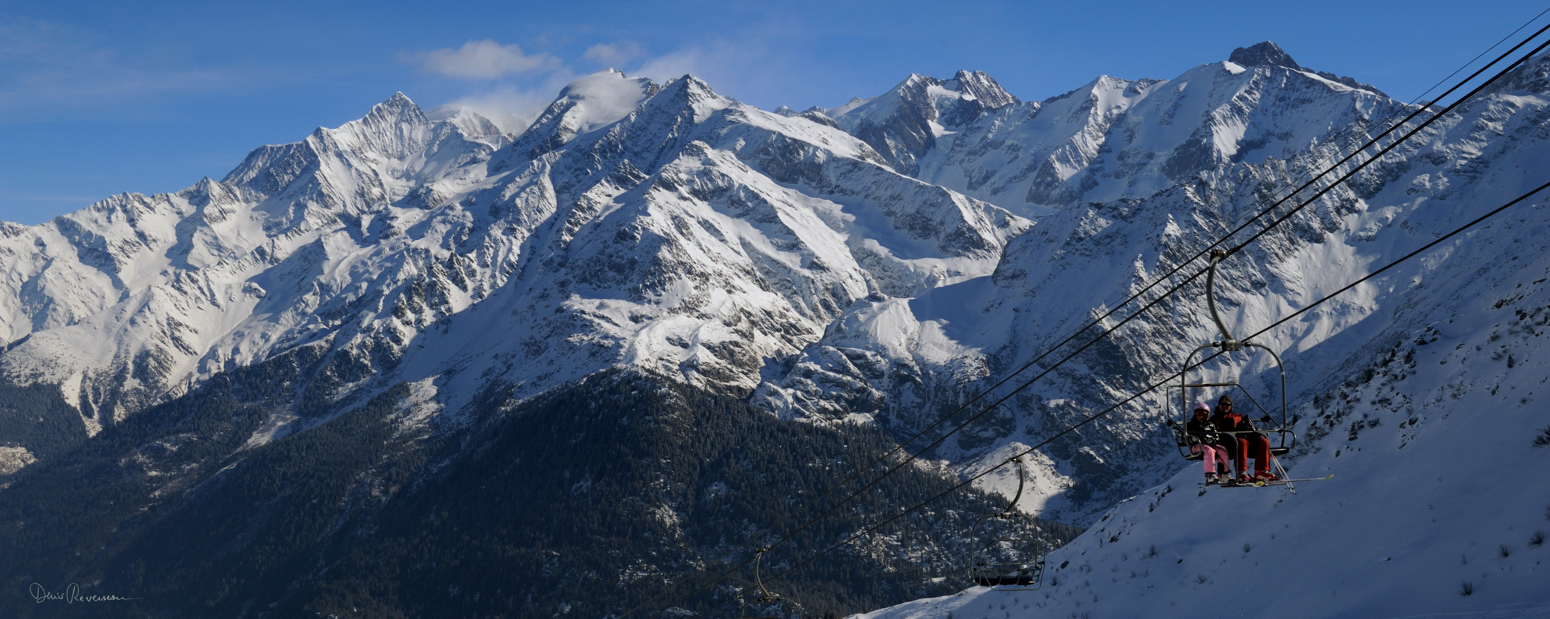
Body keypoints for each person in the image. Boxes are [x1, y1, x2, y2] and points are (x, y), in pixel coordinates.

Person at [1210, 395, 1275, 482]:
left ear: (1231, 406)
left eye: (1227, 405)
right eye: (1222, 404)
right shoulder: (1214, 419)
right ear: (1219, 405)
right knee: (1241, 442)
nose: (1225, 406)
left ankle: (1261, 471)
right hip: (1227, 443)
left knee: (1263, 441)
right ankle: (1241, 472)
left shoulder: (1237, 416)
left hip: (1244, 440)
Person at [1185, 402, 1231, 484]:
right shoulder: (1191, 425)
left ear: (1207, 415)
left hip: (1209, 445)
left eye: (1204, 414)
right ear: (1195, 414)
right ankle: (1210, 475)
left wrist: (1213, 440)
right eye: (1199, 414)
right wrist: (1196, 438)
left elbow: (1216, 436)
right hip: (1196, 446)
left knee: (1222, 449)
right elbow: (1186, 438)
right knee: (1209, 450)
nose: (1201, 416)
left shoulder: (1210, 425)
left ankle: (1223, 473)